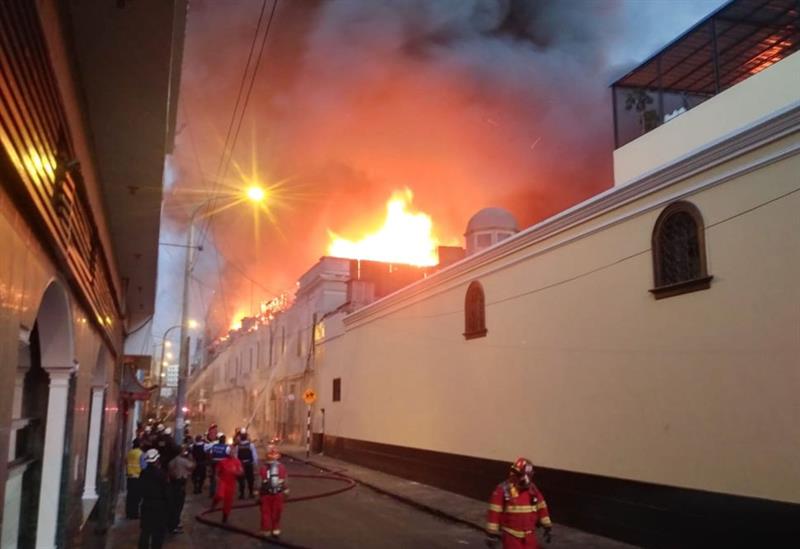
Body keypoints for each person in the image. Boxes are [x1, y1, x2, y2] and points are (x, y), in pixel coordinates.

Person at [486, 457, 552, 549]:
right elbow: (494, 512)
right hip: (511, 535)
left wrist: (547, 525)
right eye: (513, 472)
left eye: (517, 474)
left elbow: (541, 507)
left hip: (529, 535)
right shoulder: (503, 489)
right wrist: (491, 534)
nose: (513, 475)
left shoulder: (533, 490)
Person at [138, 449, 169, 549]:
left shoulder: (143, 473)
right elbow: (166, 492)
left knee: (145, 531)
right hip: (159, 506)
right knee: (158, 532)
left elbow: (141, 489)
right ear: (157, 460)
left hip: (146, 504)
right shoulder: (161, 474)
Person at [258, 444, 288, 538]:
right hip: (278, 495)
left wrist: (257, 495)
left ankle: (266, 531)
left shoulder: (263, 468)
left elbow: (259, 483)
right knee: (277, 512)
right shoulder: (282, 467)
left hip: (266, 495)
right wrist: (286, 492)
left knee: (266, 513)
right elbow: (285, 481)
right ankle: (275, 530)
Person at [211, 445, 243, 523]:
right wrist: (216, 477)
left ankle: (225, 517)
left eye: (234, 452)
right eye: (232, 451)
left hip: (231, 483)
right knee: (220, 495)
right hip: (223, 481)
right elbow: (217, 470)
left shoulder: (237, 461)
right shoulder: (223, 461)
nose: (233, 453)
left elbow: (241, 471)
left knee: (228, 501)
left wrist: (237, 473)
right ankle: (215, 502)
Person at [167, 444, 195, 533]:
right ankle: (174, 525)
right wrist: (191, 458)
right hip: (180, 484)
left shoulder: (171, 462)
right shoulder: (183, 461)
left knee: (173, 505)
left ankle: (172, 523)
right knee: (178, 506)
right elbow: (192, 466)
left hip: (173, 484)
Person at [236, 429, 259, 499]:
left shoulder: (238, 446)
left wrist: (237, 466)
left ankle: (242, 494)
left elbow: (236, 456)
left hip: (241, 465)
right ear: (246, 436)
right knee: (250, 479)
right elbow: (254, 455)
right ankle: (251, 493)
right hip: (249, 464)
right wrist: (255, 464)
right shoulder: (251, 445)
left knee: (241, 480)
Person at [126, 438, 143, 519]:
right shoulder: (141, 454)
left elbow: (126, 462)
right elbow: (144, 466)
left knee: (130, 496)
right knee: (136, 497)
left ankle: (128, 513)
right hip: (137, 477)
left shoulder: (130, 453)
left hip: (130, 477)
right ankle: (134, 514)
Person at [207, 433, 228, 498]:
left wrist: (211, 462)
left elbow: (210, 454)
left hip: (214, 463)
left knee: (213, 478)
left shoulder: (214, 446)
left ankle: (212, 493)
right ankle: (222, 492)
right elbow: (229, 455)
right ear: (224, 440)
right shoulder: (226, 447)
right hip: (223, 464)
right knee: (223, 478)